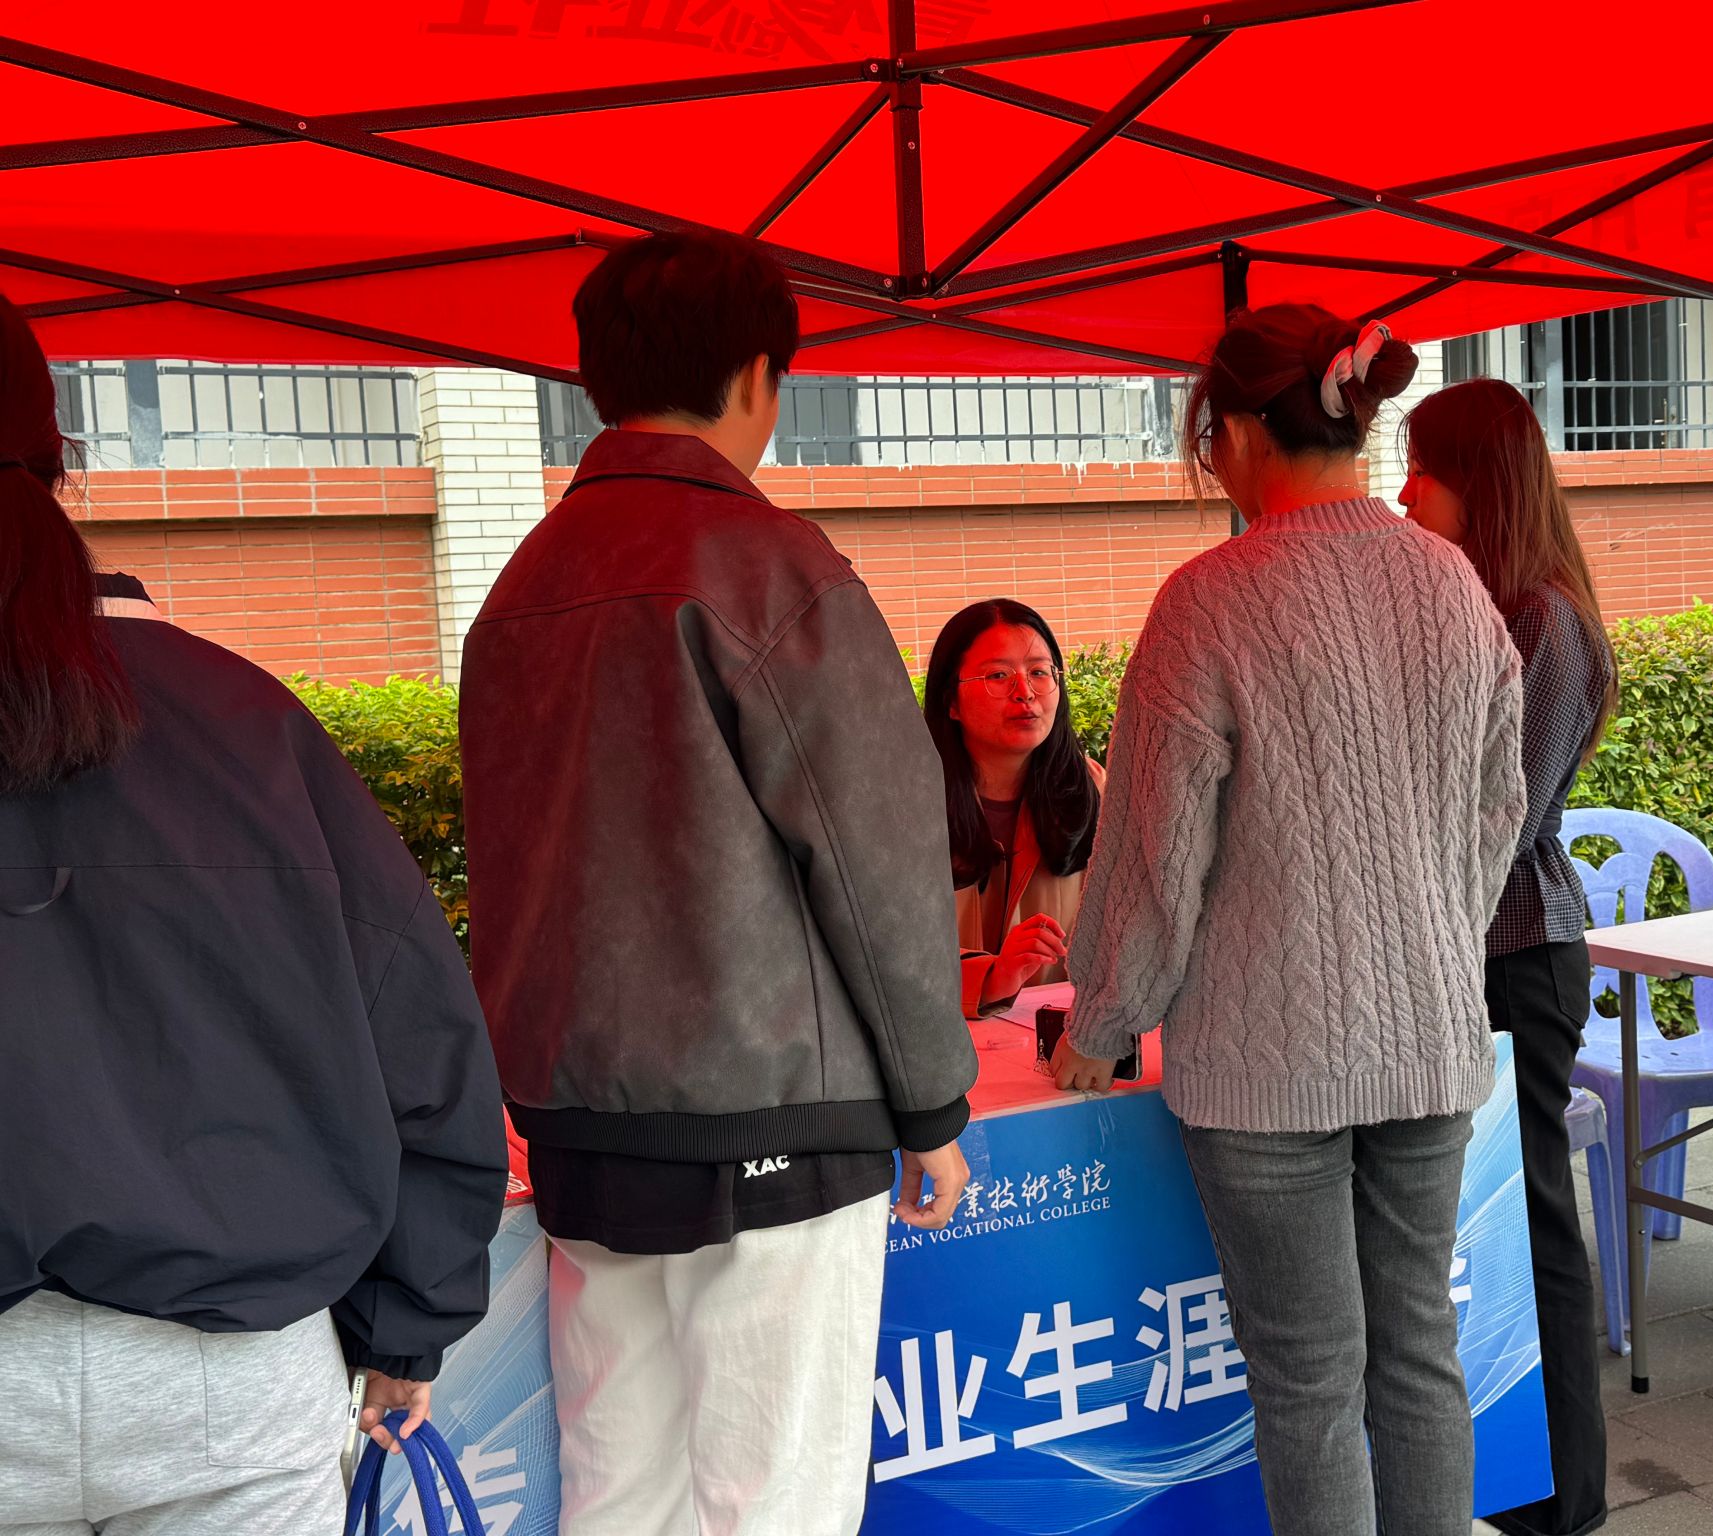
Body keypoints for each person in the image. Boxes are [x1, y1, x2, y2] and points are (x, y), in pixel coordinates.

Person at [460, 229, 980, 1536]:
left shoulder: (521, 585)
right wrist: (932, 1101)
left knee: (617, 1495)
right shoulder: (768, 565)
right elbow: (876, 858)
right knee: (774, 1503)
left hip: (582, 1126)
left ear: (597, 377)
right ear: (759, 375)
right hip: (775, 1116)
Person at [0, 293, 505, 1535]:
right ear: (58, 456)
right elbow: (423, 1046)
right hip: (230, 1378)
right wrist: (407, 1324)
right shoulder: (244, 721)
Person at [1054, 303, 1528, 1536]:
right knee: (1417, 1352)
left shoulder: (1207, 602)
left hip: (1266, 1066)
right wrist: (1431, 941)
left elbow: (1153, 850)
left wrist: (1101, 1021)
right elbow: (1498, 809)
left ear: (1235, 432)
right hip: (1430, 1040)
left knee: (1308, 1381)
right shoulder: (1452, 583)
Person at [1402, 376, 1619, 1536]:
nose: (1402, 495)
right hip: (1474, 953)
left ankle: (1563, 1502)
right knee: (1486, 1229)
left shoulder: (1541, 621)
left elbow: (1498, 822)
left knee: (1533, 1228)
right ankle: (1513, 1481)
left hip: (1514, 957)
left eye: (1419, 473)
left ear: (1473, 483)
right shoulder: (1487, 607)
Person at [924, 599, 1105, 1018]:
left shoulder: (1093, 789)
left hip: (1057, 1040)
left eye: (1039, 672)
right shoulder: (905, 805)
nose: (1025, 692)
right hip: (939, 1044)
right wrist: (989, 977)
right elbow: (879, 948)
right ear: (951, 701)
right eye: (998, 676)